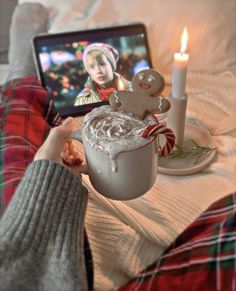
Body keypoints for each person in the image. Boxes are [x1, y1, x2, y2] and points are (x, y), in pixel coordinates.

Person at [1, 3, 236, 291]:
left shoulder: (128, 88)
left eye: (103, 63)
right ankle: (22, 81)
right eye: (91, 65)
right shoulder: (84, 93)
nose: (98, 70)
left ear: (114, 63)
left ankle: (20, 82)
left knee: (15, 156)